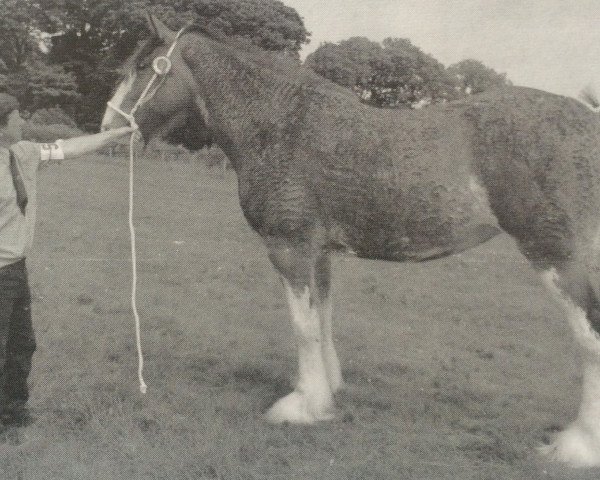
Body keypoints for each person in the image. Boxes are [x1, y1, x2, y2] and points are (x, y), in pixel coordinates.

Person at [0, 93, 135, 428]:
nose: (22, 122)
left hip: (16, 270)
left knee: (22, 345)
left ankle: (12, 415)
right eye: (16, 116)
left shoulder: (24, 153)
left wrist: (115, 134)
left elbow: (70, 148)